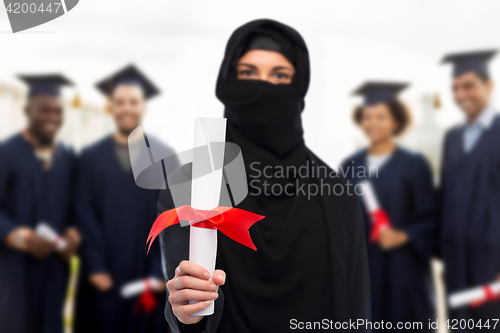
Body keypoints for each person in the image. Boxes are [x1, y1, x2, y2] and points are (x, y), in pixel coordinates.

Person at [158, 19, 371, 333]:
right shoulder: (190, 183)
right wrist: (186, 312)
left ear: (299, 86)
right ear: (227, 81)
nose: (263, 87)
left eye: (280, 75)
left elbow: (354, 308)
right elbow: (187, 306)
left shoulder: (336, 195)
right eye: (248, 73)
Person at [74, 65, 177, 333]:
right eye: (119, 102)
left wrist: (159, 271)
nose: (126, 108)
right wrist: (95, 267)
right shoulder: (90, 157)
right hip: (102, 277)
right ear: (111, 107)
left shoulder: (165, 157)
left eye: (133, 102)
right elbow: (83, 214)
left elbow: (173, 218)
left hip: (147, 277)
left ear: (143, 106)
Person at [340, 82, 437, 331]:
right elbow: (339, 216)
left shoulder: (414, 165)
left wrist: (404, 235)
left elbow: (432, 216)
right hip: (364, 268)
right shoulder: (351, 165)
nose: (372, 122)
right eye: (367, 116)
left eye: (381, 116)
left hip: (403, 269)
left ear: (396, 121)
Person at [0, 74, 80, 333]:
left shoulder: (67, 157)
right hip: (15, 269)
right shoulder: (6, 153)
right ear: (27, 110)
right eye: (45, 110)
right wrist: (21, 238)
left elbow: (77, 207)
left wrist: (73, 235)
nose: (52, 118)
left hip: (55, 268)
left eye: (57, 111)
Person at [439, 50, 500, 331]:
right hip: (458, 265)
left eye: (469, 86)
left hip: (493, 266)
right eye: (455, 88)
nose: (461, 95)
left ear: (489, 85)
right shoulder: (452, 138)